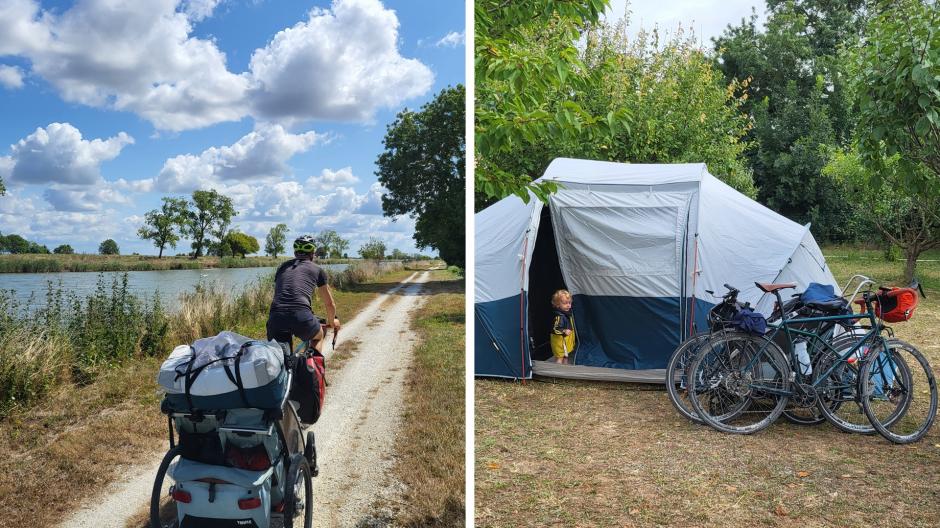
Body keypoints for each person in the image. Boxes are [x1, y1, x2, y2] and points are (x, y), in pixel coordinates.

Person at [266, 235, 341, 352]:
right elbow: (329, 303)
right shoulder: (317, 270)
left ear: (295, 253)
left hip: (275, 317)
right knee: (318, 336)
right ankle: (312, 367)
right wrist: (332, 322)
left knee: (281, 356)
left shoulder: (282, 267)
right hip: (301, 316)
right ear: (313, 253)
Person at [550, 289, 576, 364]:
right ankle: (557, 373)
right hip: (560, 342)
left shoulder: (567, 313)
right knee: (559, 358)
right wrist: (564, 331)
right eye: (565, 303)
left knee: (566, 356)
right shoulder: (559, 316)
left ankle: (565, 370)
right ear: (557, 305)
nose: (568, 305)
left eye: (569, 303)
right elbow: (555, 329)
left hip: (565, 341)